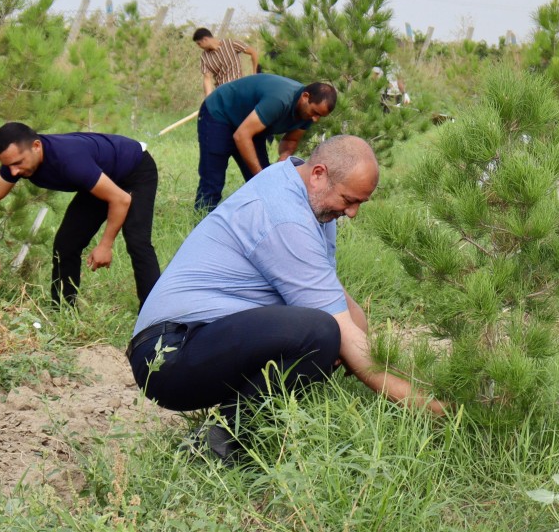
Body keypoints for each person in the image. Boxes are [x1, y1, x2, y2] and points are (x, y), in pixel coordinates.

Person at [128, 136, 444, 462]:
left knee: (328, 330)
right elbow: (340, 332)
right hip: (166, 356)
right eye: (350, 200)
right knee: (320, 333)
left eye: (360, 203)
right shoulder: (284, 215)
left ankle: (229, 432)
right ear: (319, 173)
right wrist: (427, 406)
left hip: (201, 339)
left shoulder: (306, 193)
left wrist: (357, 334)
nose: (353, 213)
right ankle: (217, 446)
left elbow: (329, 291)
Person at [0, 122, 161, 308]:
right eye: (7, 165)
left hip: (135, 171)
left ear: (36, 146)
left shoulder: (69, 159)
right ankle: (63, 310)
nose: (14, 172)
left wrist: (105, 245)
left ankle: (155, 314)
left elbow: (121, 200)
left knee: (137, 241)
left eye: (18, 163)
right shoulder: (15, 163)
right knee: (66, 245)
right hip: (98, 178)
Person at [195, 73, 337, 212]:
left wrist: (284, 157)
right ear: (305, 97)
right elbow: (242, 136)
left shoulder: (307, 114)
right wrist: (260, 176)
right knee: (213, 178)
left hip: (252, 127)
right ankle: (201, 222)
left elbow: (291, 139)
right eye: (315, 112)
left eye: (320, 116)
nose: (315, 119)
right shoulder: (279, 100)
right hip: (220, 113)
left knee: (265, 183)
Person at [193, 28, 260, 98]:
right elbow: (207, 78)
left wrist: (255, 73)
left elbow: (253, 53)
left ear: (205, 39)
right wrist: (208, 98)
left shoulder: (231, 44)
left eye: (199, 44)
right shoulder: (204, 57)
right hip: (223, 93)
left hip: (240, 88)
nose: (199, 46)